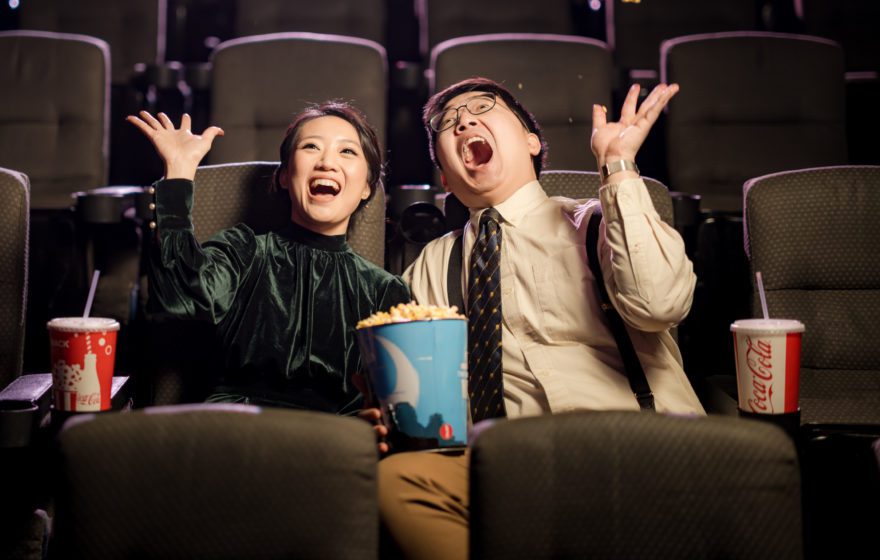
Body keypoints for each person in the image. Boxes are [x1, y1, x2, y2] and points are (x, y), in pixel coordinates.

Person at [377, 78, 705, 560]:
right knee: (398, 479)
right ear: (444, 177)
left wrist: (618, 167)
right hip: (510, 468)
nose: (465, 120)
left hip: (631, 448)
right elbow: (429, 406)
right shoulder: (431, 263)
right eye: (449, 123)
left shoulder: (600, 220)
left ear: (532, 142)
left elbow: (660, 305)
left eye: (483, 108)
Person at [127, 102, 411, 416]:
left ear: (367, 189)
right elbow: (179, 298)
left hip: (332, 443)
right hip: (234, 431)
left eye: (347, 151)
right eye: (311, 146)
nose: (327, 162)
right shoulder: (244, 251)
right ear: (285, 176)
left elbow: (397, 399)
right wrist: (178, 173)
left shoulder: (386, 292)